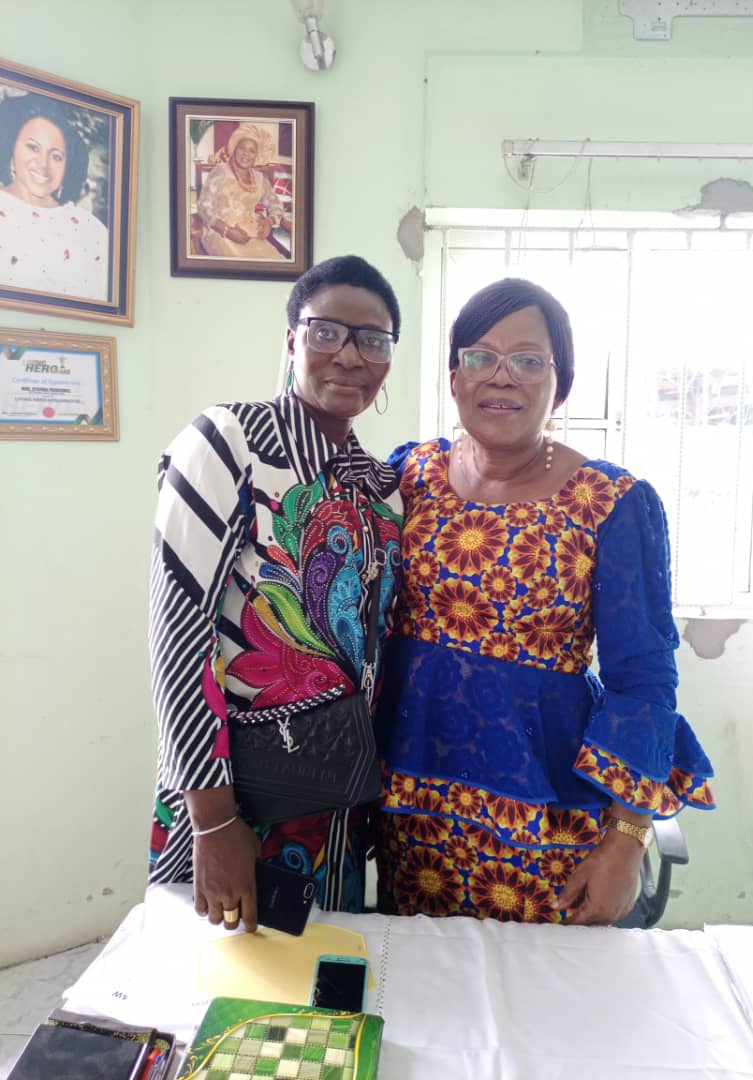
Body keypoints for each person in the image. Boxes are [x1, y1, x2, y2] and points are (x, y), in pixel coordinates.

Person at [374, 277, 715, 926]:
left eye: (529, 361)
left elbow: (642, 681)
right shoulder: (410, 475)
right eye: (479, 357)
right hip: (414, 815)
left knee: (550, 1013)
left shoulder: (609, 504)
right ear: (454, 379)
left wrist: (625, 840)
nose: (501, 377)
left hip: (546, 825)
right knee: (422, 1003)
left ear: (560, 387)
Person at [148, 254, 403, 930]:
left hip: (338, 808)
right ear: (290, 340)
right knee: (219, 994)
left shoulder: (381, 488)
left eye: (372, 340)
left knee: (316, 989)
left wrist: (372, 799)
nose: (349, 355)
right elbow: (178, 633)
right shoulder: (228, 442)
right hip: (238, 797)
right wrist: (212, 821)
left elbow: (375, 655)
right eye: (326, 332)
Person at [0, 93, 108, 300]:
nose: (44, 163)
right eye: (33, 148)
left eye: (56, 156)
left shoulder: (91, 230)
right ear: (10, 148)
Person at [196, 123, 287, 260]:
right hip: (219, 232)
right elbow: (203, 206)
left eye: (252, 150)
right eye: (242, 148)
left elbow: (276, 206)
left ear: (257, 154)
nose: (246, 154)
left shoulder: (260, 178)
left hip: (252, 233)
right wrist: (227, 231)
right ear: (234, 149)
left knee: (273, 262)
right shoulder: (220, 171)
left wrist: (269, 222)